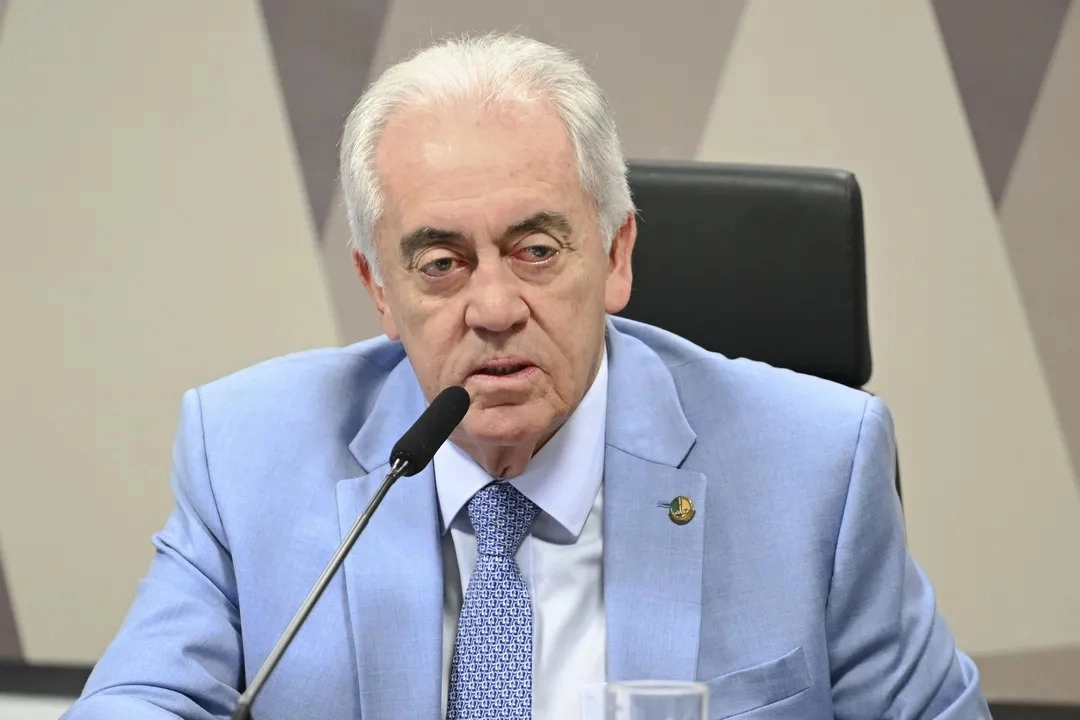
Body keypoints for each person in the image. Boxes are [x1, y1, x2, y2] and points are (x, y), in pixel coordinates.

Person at [63, 32, 990, 720]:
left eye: (536, 250)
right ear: (379, 291)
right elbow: (141, 697)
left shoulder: (815, 468)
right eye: (441, 265)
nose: (495, 307)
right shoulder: (246, 452)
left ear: (616, 257)